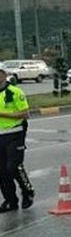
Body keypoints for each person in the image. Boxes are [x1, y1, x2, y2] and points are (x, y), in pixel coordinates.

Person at [0, 67, 34, 213]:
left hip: (14, 134)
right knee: (1, 171)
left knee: (13, 167)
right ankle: (10, 201)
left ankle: (27, 192)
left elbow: (25, 114)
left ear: (4, 76)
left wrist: (2, 114)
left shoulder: (14, 92)